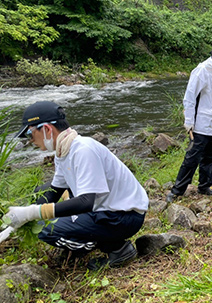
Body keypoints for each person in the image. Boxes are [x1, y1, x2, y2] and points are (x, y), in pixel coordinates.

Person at [4, 101, 149, 270]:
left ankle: (117, 248)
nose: (30, 141)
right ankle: (89, 239)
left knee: (45, 229)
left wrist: (31, 213)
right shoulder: (63, 151)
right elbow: (53, 192)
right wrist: (14, 222)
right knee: (40, 193)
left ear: (47, 129)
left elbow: (86, 202)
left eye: (30, 133)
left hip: (124, 217)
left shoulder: (83, 149)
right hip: (107, 211)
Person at [166, 43, 212, 203]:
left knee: (210, 157)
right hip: (201, 124)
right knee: (192, 158)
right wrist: (189, 121)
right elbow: (189, 97)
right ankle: (176, 191)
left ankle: (204, 187)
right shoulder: (202, 71)